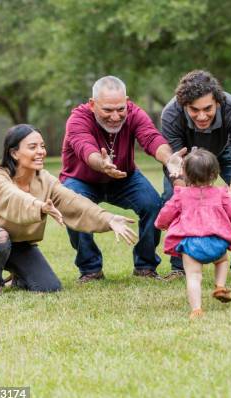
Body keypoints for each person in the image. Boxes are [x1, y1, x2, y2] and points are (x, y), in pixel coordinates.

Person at [0, 125, 138, 297]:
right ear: (14, 153)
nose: (41, 151)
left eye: (42, 146)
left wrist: (108, 218)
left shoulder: (45, 179)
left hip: (19, 246)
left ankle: (18, 277)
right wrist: (39, 206)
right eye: (33, 147)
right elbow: (14, 196)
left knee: (49, 287)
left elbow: (73, 201)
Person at [60, 75, 183, 282]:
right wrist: (102, 164)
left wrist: (169, 159)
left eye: (120, 109)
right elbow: (85, 148)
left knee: (152, 204)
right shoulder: (78, 119)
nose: (116, 116)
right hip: (82, 179)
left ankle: (145, 266)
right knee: (72, 206)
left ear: (126, 101)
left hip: (125, 178)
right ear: (92, 104)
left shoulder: (134, 113)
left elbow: (151, 137)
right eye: (107, 110)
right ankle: (90, 269)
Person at [160, 70, 231, 280]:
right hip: (187, 160)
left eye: (207, 109)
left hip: (225, 154)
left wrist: (230, 193)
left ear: (218, 103)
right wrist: (183, 193)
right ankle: (179, 266)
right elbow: (176, 162)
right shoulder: (171, 114)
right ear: (184, 106)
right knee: (172, 197)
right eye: (194, 110)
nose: (202, 116)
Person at [155, 148, 231, 319]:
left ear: (185, 174)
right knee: (222, 261)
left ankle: (196, 309)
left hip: (191, 245)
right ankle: (220, 286)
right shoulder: (222, 193)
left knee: (193, 276)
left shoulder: (180, 194)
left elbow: (166, 213)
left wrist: (161, 224)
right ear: (215, 173)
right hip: (217, 243)